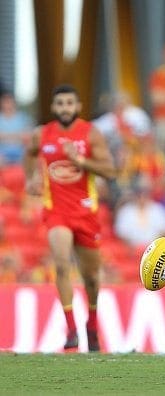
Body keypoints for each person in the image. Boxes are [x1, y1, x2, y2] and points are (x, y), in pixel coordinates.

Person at [23, 84, 117, 352]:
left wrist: (81, 161)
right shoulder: (42, 135)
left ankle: (92, 323)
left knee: (91, 278)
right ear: (54, 108)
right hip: (56, 212)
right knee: (62, 264)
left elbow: (110, 170)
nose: (65, 108)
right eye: (60, 104)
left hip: (86, 212)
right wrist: (31, 177)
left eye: (69, 104)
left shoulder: (91, 134)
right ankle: (72, 329)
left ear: (77, 107)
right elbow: (30, 155)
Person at [0, 92, 34, 165]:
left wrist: (5, 136)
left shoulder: (23, 117)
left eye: (9, 102)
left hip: (20, 152)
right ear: (1, 104)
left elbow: (28, 135)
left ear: (14, 103)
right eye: (5, 102)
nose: (7, 105)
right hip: (2, 153)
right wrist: (17, 136)